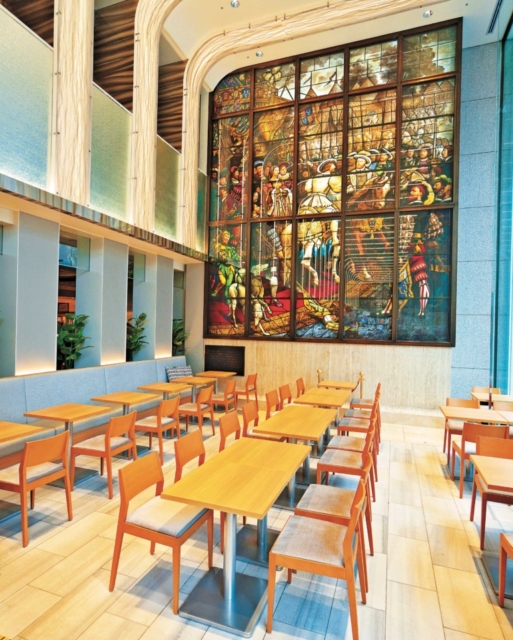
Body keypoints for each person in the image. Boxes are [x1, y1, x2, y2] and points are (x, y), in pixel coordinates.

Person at [408, 232, 429, 316]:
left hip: (418, 269)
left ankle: (422, 310)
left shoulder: (419, 247)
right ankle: (422, 310)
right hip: (416, 269)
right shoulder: (415, 247)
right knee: (423, 285)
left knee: (423, 285)